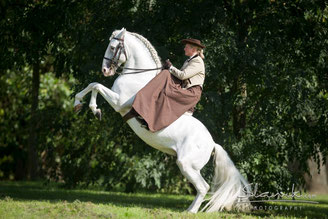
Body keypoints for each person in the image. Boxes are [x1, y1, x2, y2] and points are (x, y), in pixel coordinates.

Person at [126, 38, 206, 132]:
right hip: (186, 90)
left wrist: (170, 68)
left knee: (166, 75)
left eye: (186, 47)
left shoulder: (197, 61)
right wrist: (167, 69)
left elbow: (183, 75)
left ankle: (145, 109)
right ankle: (145, 112)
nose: (184, 49)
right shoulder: (189, 61)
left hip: (191, 93)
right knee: (165, 76)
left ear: (193, 49)